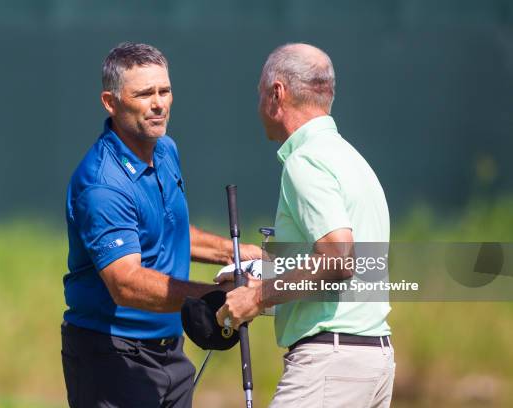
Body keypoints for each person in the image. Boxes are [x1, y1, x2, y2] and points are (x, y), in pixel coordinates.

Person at [61, 42, 261, 408]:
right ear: (111, 101)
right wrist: (216, 299)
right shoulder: (101, 183)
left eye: (164, 91)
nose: (159, 104)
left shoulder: (165, 149)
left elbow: (167, 231)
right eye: (144, 94)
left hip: (172, 354)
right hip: (114, 361)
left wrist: (237, 252)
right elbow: (126, 284)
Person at [216, 43, 395, 407]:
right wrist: (262, 280)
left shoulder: (306, 161)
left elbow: (338, 258)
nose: (259, 105)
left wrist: (256, 297)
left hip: (331, 362)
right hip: (373, 359)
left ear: (277, 94)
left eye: (260, 93)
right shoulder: (351, 159)